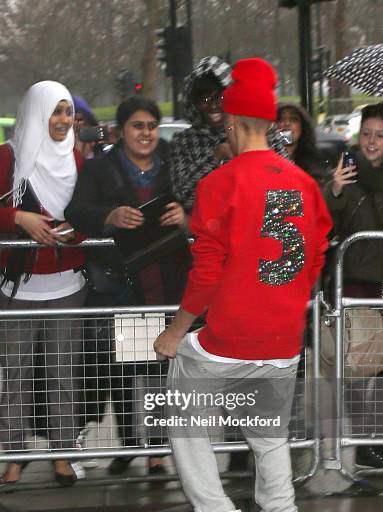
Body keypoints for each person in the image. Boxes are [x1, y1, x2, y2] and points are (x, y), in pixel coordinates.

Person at [154, 57, 332, 512]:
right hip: (282, 337)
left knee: (185, 420)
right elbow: (316, 259)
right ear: (272, 123)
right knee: (268, 434)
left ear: (231, 122)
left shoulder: (220, 184)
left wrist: (175, 331)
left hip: (230, 335)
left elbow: (206, 275)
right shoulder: (304, 182)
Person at [65, 96, 190, 476]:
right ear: (122, 131)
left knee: (161, 369)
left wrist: (185, 214)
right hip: (126, 282)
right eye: (138, 126)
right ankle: (130, 443)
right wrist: (110, 216)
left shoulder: (174, 164)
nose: (146, 133)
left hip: (168, 279)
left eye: (152, 125)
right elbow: (76, 210)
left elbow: (202, 201)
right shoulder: (99, 168)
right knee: (127, 366)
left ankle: (156, 450)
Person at [0, 80, 87, 487]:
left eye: (68, 111)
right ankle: (15, 455)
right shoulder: (7, 158)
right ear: (37, 112)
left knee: (63, 374)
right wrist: (19, 219)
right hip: (17, 287)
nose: (63, 120)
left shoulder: (77, 157)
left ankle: (64, 453)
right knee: (15, 375)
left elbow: (88, 213)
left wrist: (77, 229)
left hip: (67, 285)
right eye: (55, 111)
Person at [324, 102, 383, 470]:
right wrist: (333, 191)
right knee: (360, 368)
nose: (372, 142)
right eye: (366, 134)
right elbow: (324, 227)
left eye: (380, 136)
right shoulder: (345, 178)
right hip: (358, 286)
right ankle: (364, 441)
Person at [170, 55, 289, 214]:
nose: (213, 105)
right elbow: (183, 195)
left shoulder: (265, 133)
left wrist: (248, 160)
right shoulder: (184, 141)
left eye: (219, 97)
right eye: (204, 99)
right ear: (194, 103)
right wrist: (215, 157)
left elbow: (286, 200)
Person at [277, 102, 328, 185]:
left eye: (293, 119)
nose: (287, 123)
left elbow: (316, 193)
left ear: (303, 127)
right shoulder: (264, 161)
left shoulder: (314, 162)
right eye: (281, 119)